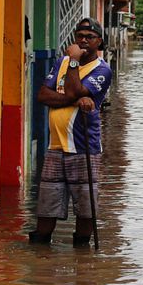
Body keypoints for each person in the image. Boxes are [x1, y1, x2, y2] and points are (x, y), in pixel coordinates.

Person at [31, 18, 115, 247]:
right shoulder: (61, 62)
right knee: (47, 204)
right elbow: (42, 96)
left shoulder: (102, 70)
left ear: (99, 42)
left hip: (83, 147)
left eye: (90, 37)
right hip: (55, 147)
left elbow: (75, 88)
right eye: (80, 35)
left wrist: (75, 63)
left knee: (85, 207)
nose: (84, 40)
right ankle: (40, 251)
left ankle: (82, 252)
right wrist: (73, 99)